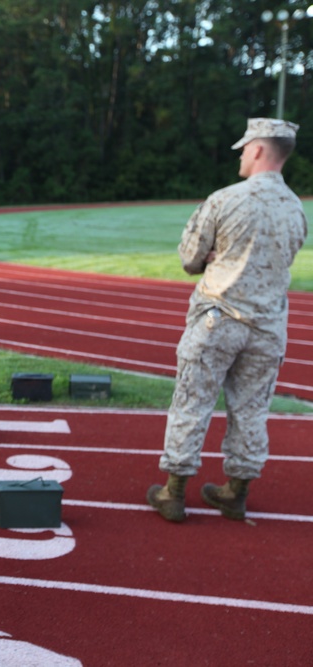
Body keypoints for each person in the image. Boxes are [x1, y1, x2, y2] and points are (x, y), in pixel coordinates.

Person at [147, 117, 308, 523]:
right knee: (252, 409)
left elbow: (189, 259)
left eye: (244, 148)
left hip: (219, 318)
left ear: (257, 149)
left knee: (192, 402)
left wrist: (212, 257)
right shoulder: (297, 209)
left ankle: (174, 492)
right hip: (268, 326)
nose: (240, 154)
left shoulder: (225, 199)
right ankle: (235, 492)